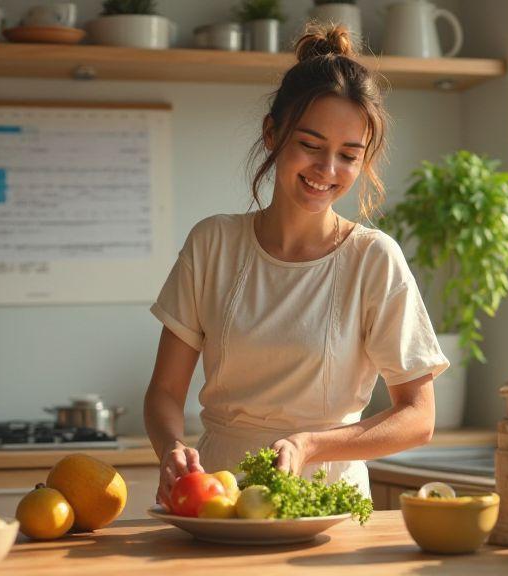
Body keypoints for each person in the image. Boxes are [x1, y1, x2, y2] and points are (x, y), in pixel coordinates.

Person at [143, 23, 449, 507]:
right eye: (310, 145)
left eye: (349, 155)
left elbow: (418, 416)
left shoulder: (373, 259)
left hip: (328, 504)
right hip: (215, 499)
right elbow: (163, 393)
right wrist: (172, 449)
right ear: (272, 133)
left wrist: (312, 444)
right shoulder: (212, 243)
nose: (327, 171)